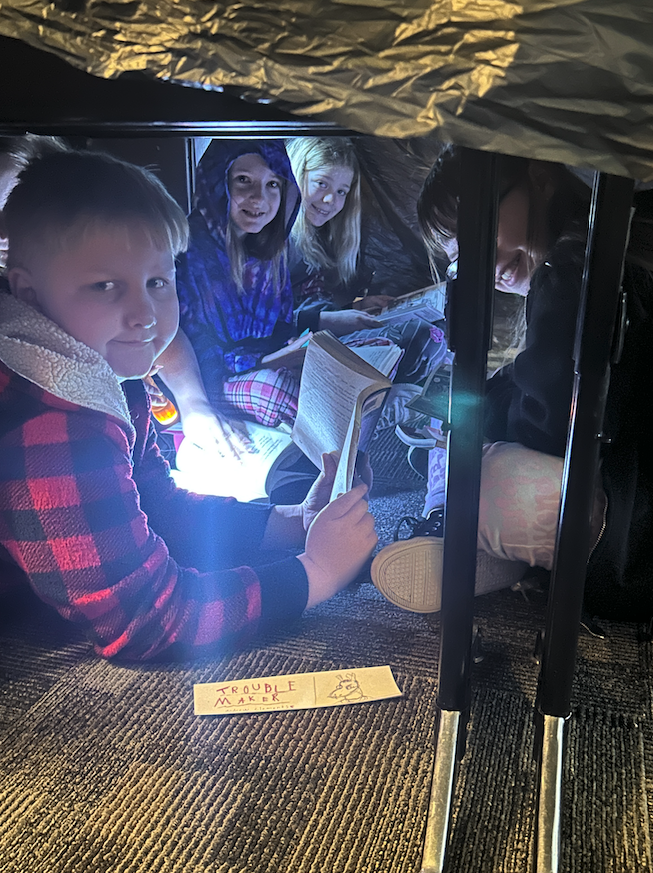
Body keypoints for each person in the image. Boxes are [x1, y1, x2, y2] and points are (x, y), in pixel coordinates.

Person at [0, 148, 377, 660]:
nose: (145, 315)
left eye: (158, 282)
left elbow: (156, 504)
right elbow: (148, 618)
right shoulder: (50, 426)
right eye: (105, 286)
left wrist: (286, 524)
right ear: (29, 293)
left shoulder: (106, 371)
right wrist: (316, 574)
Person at [372, 144, 653, 621]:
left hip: (630, 556)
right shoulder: (620, 234)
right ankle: (494, 555)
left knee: (475, 470)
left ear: (540, 174)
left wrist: (483, 415)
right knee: (471, 433)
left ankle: (452, 526)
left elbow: (546, 426)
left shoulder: (569, 270)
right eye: (462, 258)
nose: (483, 267)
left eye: (477, 233)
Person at [286, 135, 449, 435]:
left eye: (340, 191)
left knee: (430, 333)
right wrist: (333, 318)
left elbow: (320, 303)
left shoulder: (324, 237)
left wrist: (356, 306)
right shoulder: (281, 242)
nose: (329, 200)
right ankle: (381, 412)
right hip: (299, 343)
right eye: (321, 184)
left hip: (328, 330)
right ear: (297, 175)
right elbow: (284, 317)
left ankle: (401, 400)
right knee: (407, 337)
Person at [155, 139, 303, 458]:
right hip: (207, 381)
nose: (258, 197)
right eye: (243, 180)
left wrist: (293, 351)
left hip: (259, 367)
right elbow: (185, 342)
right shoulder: (187, 250)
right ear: (217, 183)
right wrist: (265, 361)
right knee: (274, 390)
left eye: (272, 184)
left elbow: (280, 328)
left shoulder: (271, 254)